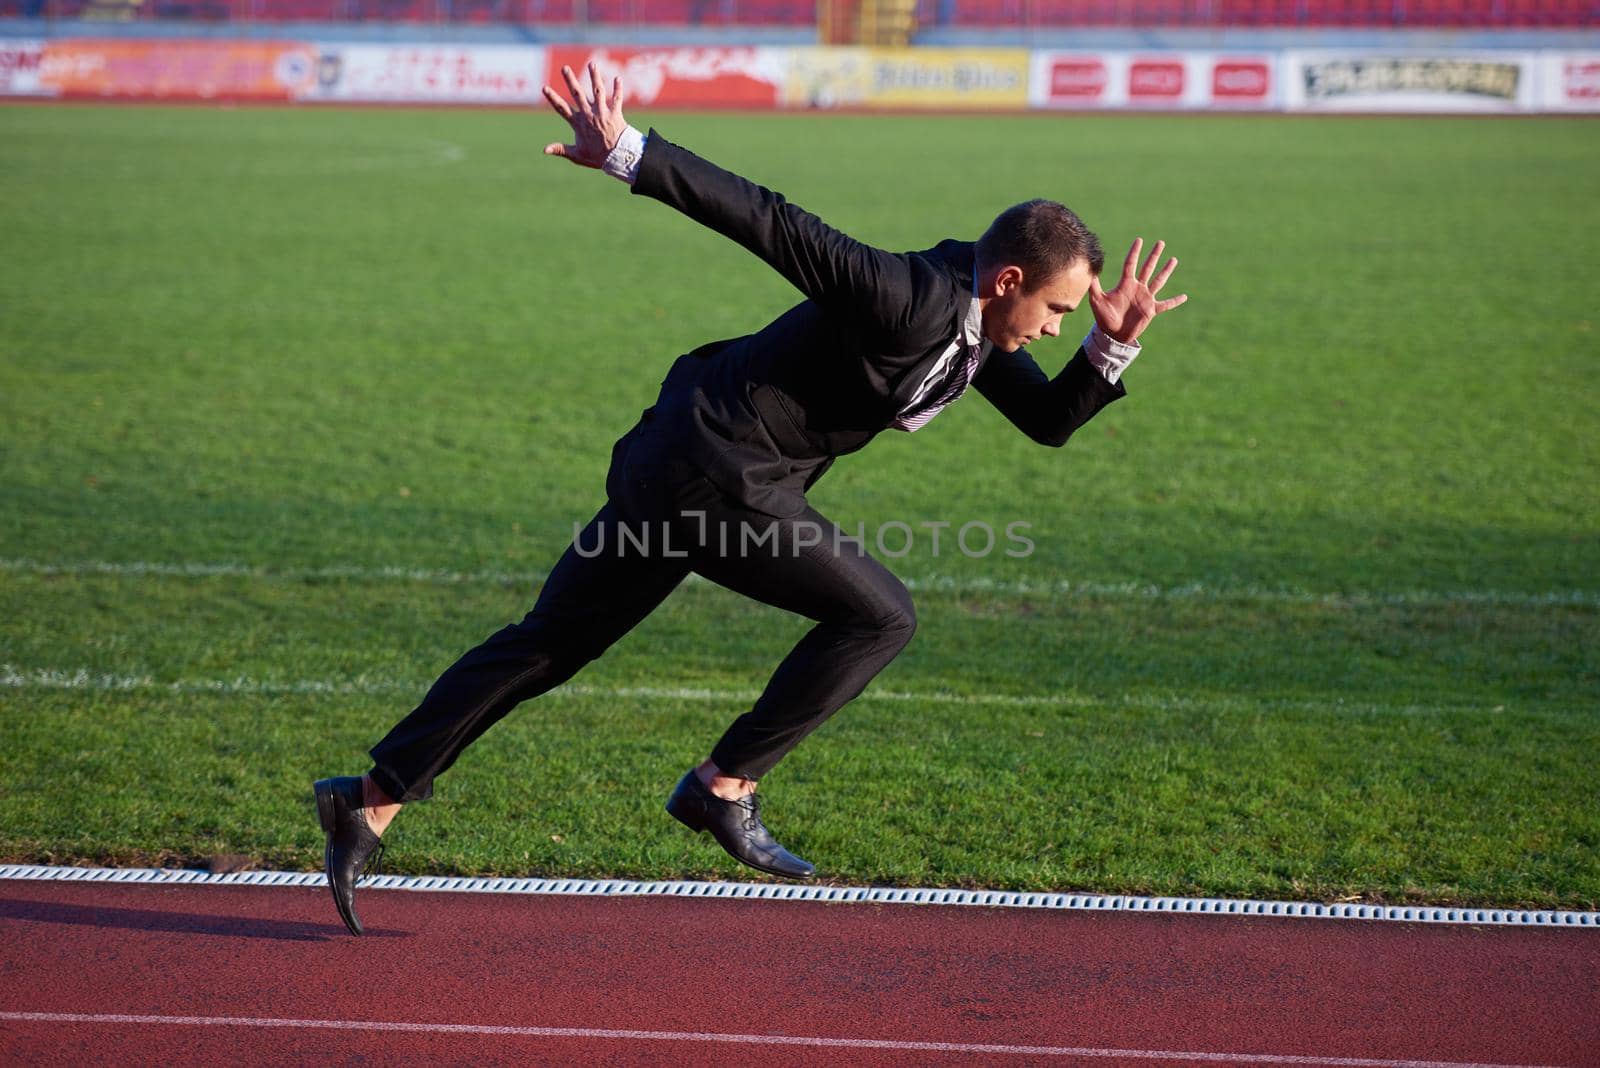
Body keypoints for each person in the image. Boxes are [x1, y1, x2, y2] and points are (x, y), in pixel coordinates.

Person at [314, 62, 1186, 936]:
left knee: (548, 646)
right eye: (1059, 309)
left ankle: (371, 800)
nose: (1056, 325)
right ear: (1006, 282)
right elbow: (772, 222)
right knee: (882, 617)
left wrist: (1110, 352)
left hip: (676, 464)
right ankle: (723, 786)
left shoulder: (981, 332)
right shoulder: (903, 296)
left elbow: (1046, 421)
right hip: (716, 473)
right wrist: (629, 152)